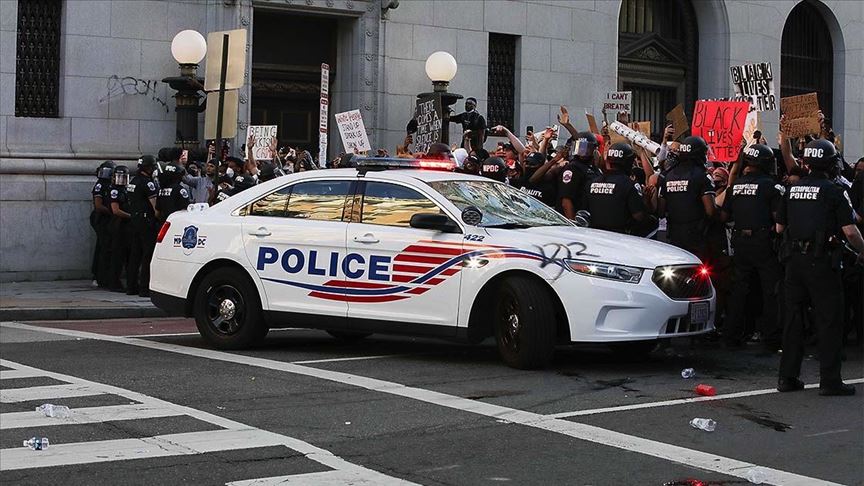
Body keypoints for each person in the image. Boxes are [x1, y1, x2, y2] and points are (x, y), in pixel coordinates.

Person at [776, 139, 864, 396]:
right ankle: (830, 381)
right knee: (829, 321)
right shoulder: (835, 191)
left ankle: (787, 378)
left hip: (793, 262)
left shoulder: (791, 190)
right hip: (822, 262)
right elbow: (850, 232)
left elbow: (779, 228)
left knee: (793, 321)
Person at [720, 144, 784, 351]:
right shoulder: (771, 187)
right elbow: (779, 220)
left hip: (740, 243)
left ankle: (731, 336)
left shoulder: (735, 186)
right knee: (770, 291)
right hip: (763, 242)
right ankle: (771, 338)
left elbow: (724, 216)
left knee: (739, 291)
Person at [657, 136, 715, 259]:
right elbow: (710, 211)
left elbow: (660, 211)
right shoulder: (703, 176)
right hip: (697, 236)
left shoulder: (667, 176)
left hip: (673, 235)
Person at [586, 143, 648, 234]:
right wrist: (645, 202)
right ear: (628, 162)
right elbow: (638, 216)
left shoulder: (592, 182)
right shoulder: (629, 184)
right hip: (620, 237)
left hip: (595, 235)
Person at [126, 155, 160, 297]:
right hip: (146, 223)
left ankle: (131, 286)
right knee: (147, 255)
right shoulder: (148, 183)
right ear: (149, 167)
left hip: (134, 221)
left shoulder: (133, 181)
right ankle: (144, 288)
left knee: (135, 255)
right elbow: (155, 207)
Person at [558, 131, 601, 219]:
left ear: (594, 149)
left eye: (586, 147)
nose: (582, 150)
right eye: (580, 147)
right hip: (576, 219)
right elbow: (566, 202)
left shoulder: (595, 169)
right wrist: (574, 224)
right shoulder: (572, 168)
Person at [106, 165, 131, 292]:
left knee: (126, 254)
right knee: (117, 255)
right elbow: (116, 210)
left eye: (124, 177)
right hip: (118, 225)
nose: (121, 180)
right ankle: (114, 282)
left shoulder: (126, 190)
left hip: (125, 226)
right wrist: (131, 216)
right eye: (119, 177)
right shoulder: (114, 191)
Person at [90, 160, 114, 287]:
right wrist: (112, 211)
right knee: (104, 247)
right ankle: (99, 275)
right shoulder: (101, 185)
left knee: (104, 246)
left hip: (107, 217)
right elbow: (98, 205)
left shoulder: (111, 185)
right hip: (102, 218)